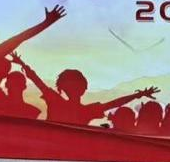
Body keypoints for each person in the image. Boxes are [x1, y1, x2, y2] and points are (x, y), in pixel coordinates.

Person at [11, 54, 157, 126]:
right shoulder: (58, 102)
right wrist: (139, 95)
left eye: (77, 86)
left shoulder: (82, 109)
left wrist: (139, 95)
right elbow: (37, 80)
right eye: (71, 86)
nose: (75, 89)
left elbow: (114, 103)